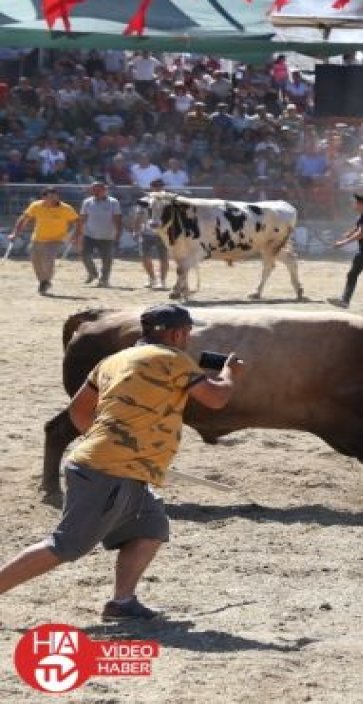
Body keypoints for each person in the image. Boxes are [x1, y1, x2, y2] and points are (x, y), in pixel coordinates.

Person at [0, 305, 245, 621]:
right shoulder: (173, 359)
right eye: (188, 332)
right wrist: (229, 373)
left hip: (118, 468)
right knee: (65, 546)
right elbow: (216, 398)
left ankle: (122, 602)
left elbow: (79, 411)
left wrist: (110, 439)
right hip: (108, 471)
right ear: (177, 333)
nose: (189, 338)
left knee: (151, 528)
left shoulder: (112, 361)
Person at [9, 187, 79, 295]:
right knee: (35, 261)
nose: (53, 199)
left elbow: (77, 222)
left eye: (55, 196)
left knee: (48, 259)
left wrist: (76, 235)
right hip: (37, 238)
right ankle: (43, 281)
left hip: (56, 239)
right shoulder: (36, 205)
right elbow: (24, 218)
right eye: (50, 197)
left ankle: (46, 281)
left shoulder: (66, 208)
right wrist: (15, 233)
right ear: (44, 197)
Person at [78, 181, 122, 287]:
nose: (96, 192)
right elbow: (83, 218)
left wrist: (118, 233)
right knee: (84, 255)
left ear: (104, 190)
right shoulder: (87, 202)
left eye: (98, 190)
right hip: (89, 234)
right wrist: (78, 232)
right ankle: (92, 273)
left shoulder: (113, 202)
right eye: (94, 190)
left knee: (106, 259)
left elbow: (117, 219)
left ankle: (104, 279)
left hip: (107, 235)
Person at [135, 179, 170, 289]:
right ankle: (152, 278)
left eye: (160, 186)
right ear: (151, 187)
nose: (158, 188)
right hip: (146, 233)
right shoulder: (144, 201)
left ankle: (162, 281)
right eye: (156, 186)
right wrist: (136, 230)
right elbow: (138, 216)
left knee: (164, 258)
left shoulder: (168, 202)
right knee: (145, 258)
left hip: (164, 233)